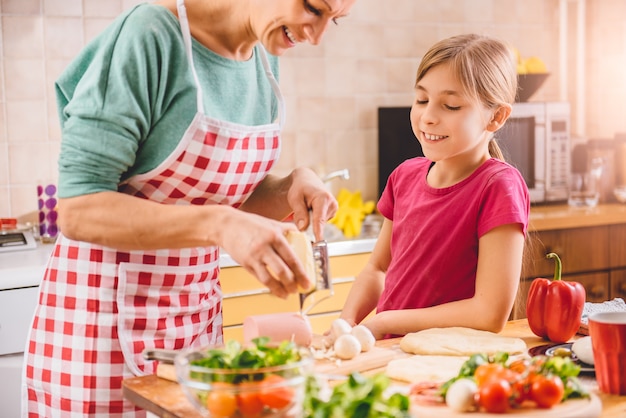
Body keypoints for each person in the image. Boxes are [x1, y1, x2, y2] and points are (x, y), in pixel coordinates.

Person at [22, 0, 357, 416]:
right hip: (103, 331)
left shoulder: (264, 55)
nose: (317, 35)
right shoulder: (151, 36)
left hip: (195, 323)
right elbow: (77, 208)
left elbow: (216, 193)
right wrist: (221, 224)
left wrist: (292, 184)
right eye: (312, 7)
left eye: (334, 20)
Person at [339, 33, 530, 340]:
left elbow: (489, 313)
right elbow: (377, 268)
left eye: (451, 106)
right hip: (388, 352)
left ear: (496, 116)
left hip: (448, 361)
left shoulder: (498, 187)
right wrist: (347, 321)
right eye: (422, 100)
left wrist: (384, 322)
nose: (428, 117)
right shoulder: (404, 177)